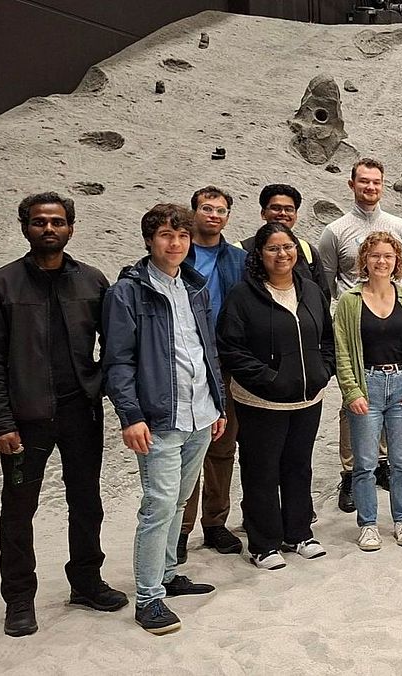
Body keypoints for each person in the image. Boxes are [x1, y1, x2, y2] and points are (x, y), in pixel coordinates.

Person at [0, 192, 126, 637]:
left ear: (71, 228)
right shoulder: (0, 285)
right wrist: (0, 422)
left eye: (57, 222)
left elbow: (115, 344)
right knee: (18, 510)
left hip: (82, 413)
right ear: (25, 227)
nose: (49, 229)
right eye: (39, 222)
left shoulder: (93, 281)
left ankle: (86, 582)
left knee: (86, 502)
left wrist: (96, 384)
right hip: (25, 420)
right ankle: (19, 599)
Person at [103, 204, 226, 635]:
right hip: (158, 418)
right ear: (150, 240)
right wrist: (130, 415)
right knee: (157, 506)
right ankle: (148, 597)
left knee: (178, 501)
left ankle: (169, 574)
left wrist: (218, 404)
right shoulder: (127, 292)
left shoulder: (195, 286)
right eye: (166, 236)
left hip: (200, 413)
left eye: (182, 236)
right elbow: (118, 361)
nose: (175, 244)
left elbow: (205, 350)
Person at [216, 222, 335, 570]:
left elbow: (326, 338)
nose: (282, 254)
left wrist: (321, 371)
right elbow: (231, 349)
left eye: (288, 247)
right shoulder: (242, 295)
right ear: (259, 255)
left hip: (307, 399)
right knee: (261, 470)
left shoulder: (311, 290)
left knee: (298, 467)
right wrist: (269, 379)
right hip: (261, 401)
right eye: (273, 248)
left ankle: (298, 533)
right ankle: (264, 543)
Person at [318, 159, 402, 514]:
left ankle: (384, 464)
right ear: (351, 184)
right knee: (354, 405)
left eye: (376, 182)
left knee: (394, 399)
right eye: (364, 182)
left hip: (391, 315)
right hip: (356, 320)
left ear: (383, 185)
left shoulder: (399, 226)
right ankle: (351, 472)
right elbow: (328, 278)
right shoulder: (336, 230)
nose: (370, 188)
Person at [333, 231, 402, 550]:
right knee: (364, 462)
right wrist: (352, 392)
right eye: (375, 256)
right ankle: (368, 524)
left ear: (397, 261)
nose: (381, 261)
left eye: (388, 256)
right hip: (367, 386)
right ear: (364, 260)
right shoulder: (350, 301)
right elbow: (342, 349)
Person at [178, 186, 246, 564]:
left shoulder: (237, 258)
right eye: (207, 208)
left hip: (227, 361)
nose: (214, 215)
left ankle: (215, 523)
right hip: (188, 360)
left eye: (221, 210)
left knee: (223, 447)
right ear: (194, 212)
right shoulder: (176, 252)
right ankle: (181, 529)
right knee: (189, 447)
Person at [241, 183, 329, 303]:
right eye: (276, 208)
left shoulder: (307, 251)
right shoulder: (241, 251)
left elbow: (322, 296)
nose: (283, 213)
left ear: (296, 215)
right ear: (263, 213)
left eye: (289, 209)